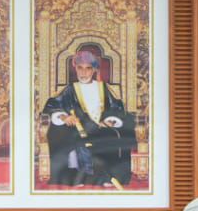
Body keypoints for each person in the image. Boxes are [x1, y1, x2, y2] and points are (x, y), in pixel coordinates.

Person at [43, 49, 136, 188]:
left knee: (114, 137)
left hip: (102, 128)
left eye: (88, 68)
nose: (83, 72)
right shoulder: (70, 89)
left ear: (94, 70)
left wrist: (111, 119)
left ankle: (111, 176)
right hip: (79, 129)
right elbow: (52, 106)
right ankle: (83, 178)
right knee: (79, 139)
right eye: (80, 68)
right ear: (76, 68)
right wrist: (63, 116)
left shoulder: (103, 88)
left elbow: (117, 108)